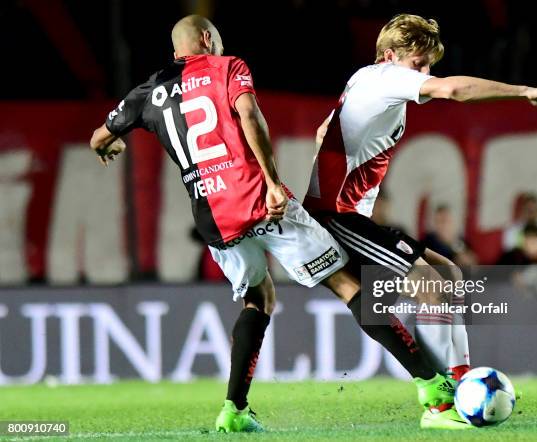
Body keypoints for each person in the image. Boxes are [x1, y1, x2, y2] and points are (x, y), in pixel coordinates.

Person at [90, 15, 461, 432]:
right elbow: (249, 116)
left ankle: (234, 410)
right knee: (348, 285)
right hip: (256, 199)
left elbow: (100, 137)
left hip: (212, 217)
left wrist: (112, 143)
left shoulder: (147, 92)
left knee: (259, 299)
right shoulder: (228, 66)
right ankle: (435, 391)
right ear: (208, 40)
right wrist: (270, 182)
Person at [305, 13, 537, 428]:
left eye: (428, 64)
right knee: (430, 287)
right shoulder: (384, 78)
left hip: (349, 214)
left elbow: (326, 129)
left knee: (449, 272)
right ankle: (440, 406)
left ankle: (461, 379)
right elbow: (455, 89)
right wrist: (525, 91)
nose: (426, 74)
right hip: (336, 217)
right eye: (419, 64)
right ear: (391, 55)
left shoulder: (369, 82)